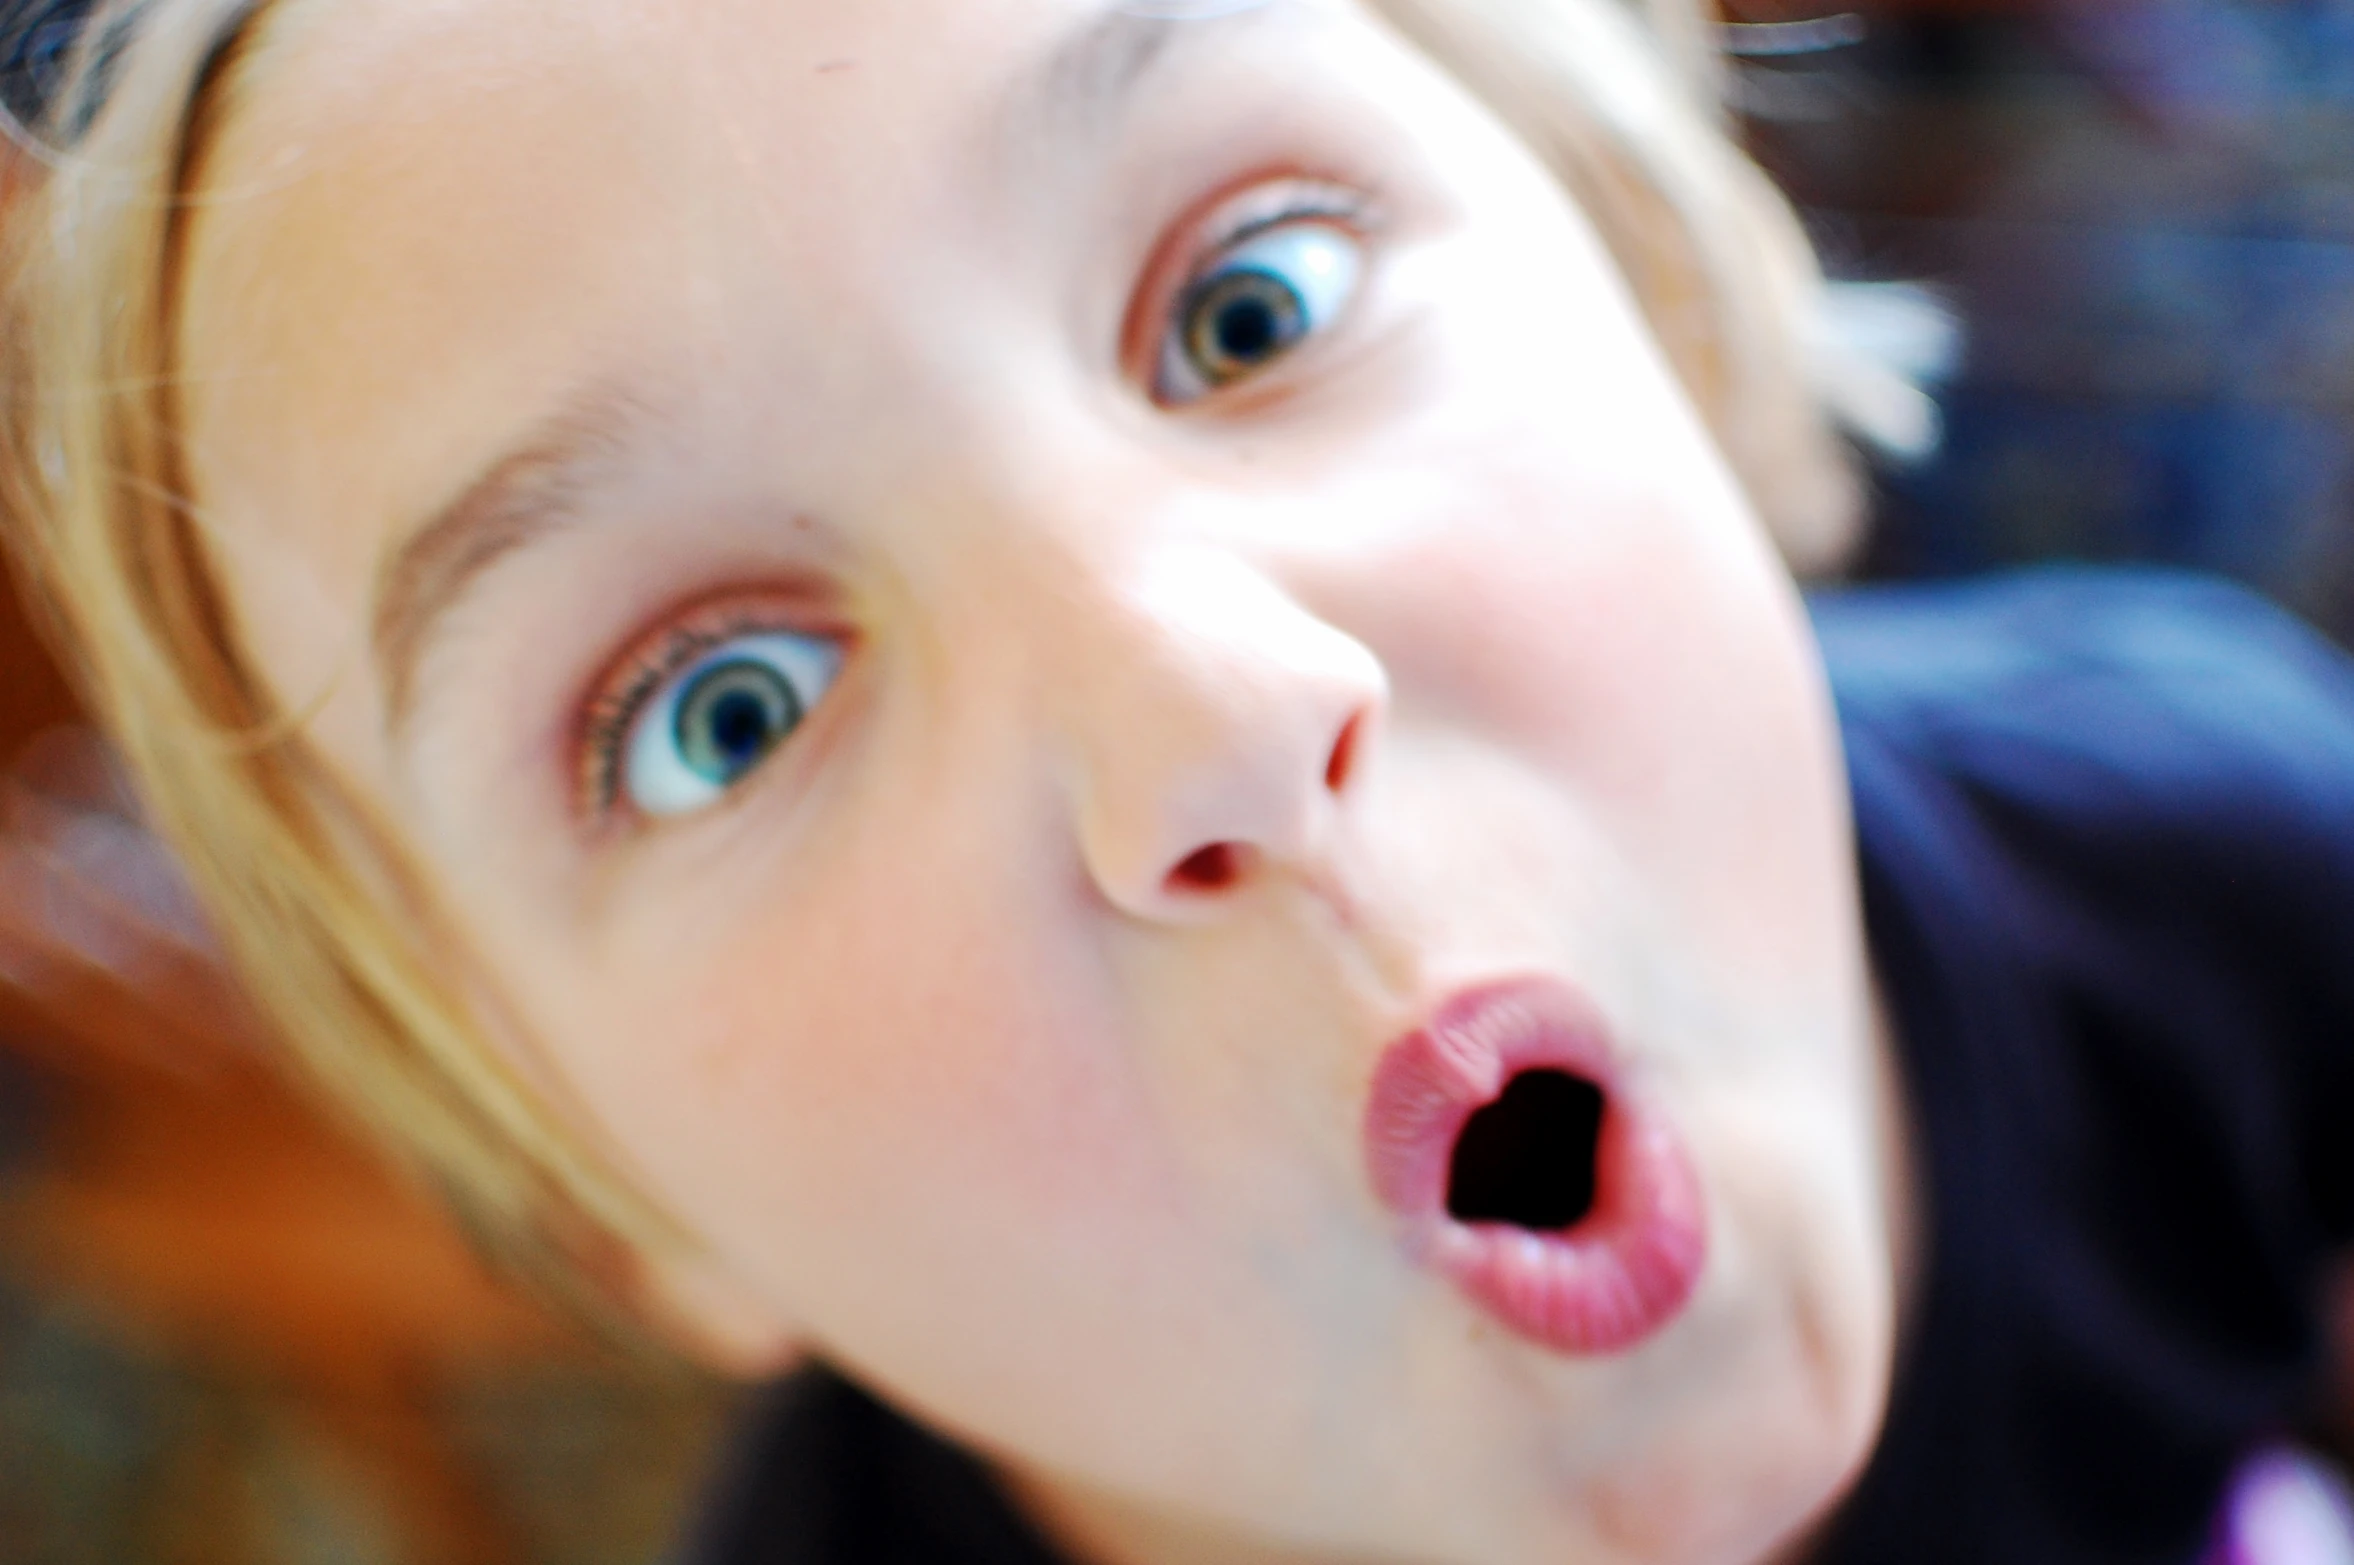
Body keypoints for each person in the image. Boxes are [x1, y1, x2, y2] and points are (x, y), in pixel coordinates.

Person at [0, 1, 2347, 1562]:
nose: (1210, 709)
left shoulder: (2210, 845)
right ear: (606, 1179)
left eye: (1256, 306)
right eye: (722, 707)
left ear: (1656, 292)